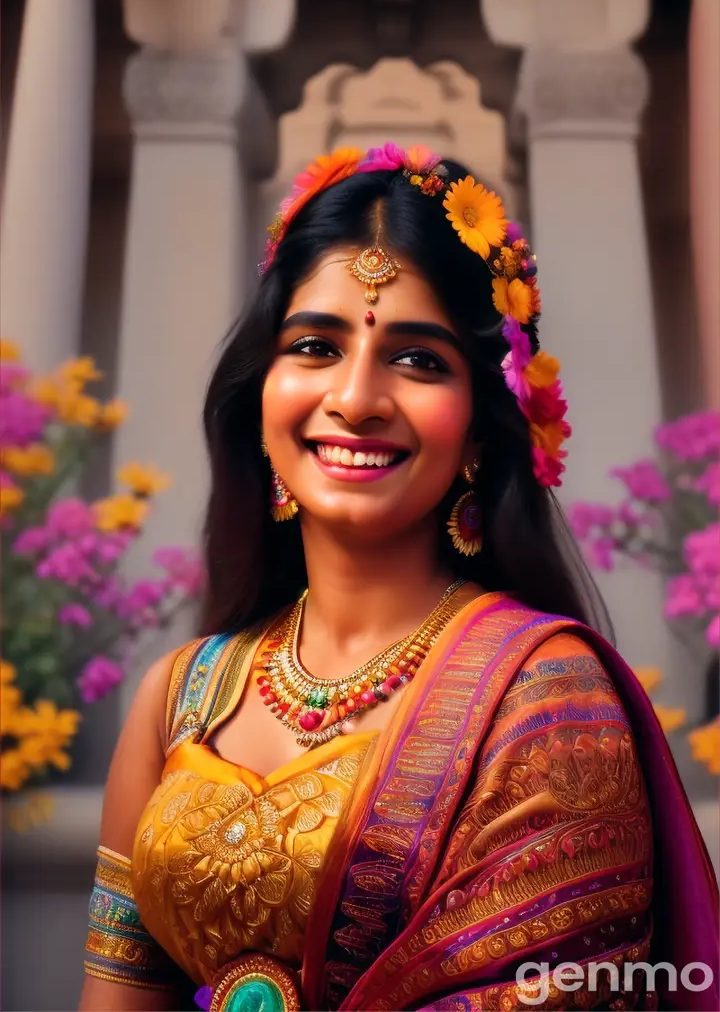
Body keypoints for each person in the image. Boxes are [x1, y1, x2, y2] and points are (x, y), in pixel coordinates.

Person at [79, 145, 718, 1012]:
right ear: (259, 391)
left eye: (417, 360)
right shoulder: (180, 698)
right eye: (314, 346)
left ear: (485, 427)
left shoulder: (545, 699)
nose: (356, 396)